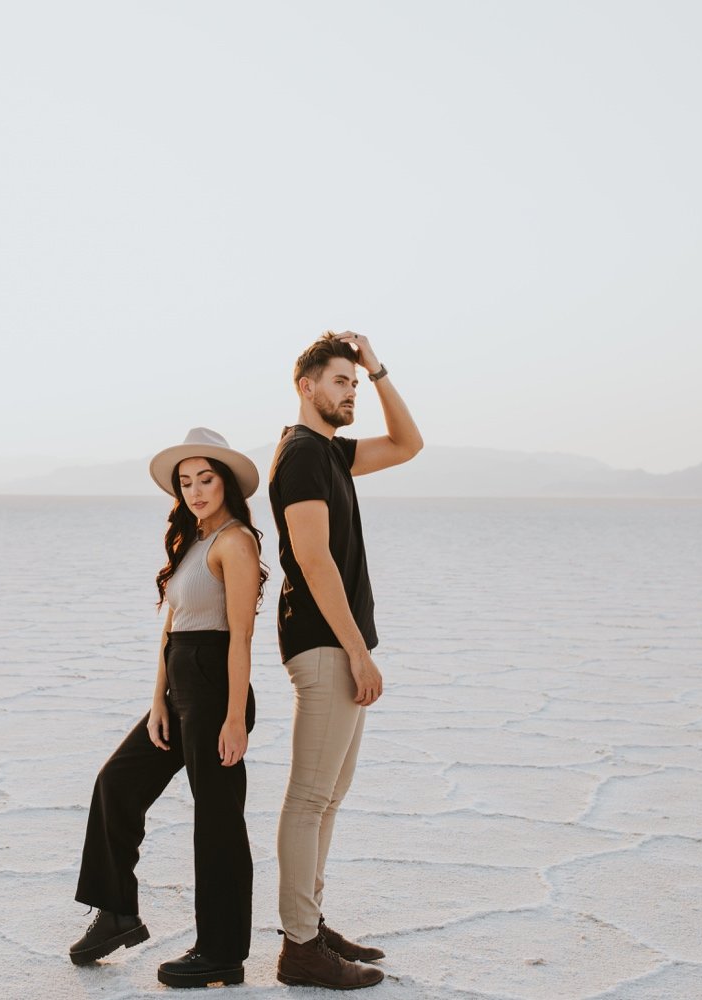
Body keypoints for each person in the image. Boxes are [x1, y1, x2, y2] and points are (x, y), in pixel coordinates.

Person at [71, 427, 268, 989]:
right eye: (186, 483)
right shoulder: (192, 543)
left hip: (215, 687)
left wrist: (234, 717)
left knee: (217, 822)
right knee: (117, 783)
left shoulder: (236, 542)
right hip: (180, 685)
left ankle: (221, 953)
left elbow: (240, 639)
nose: (196, 491)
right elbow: (171, 625)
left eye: (206, 479)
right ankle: (116, 912)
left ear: (226, 482)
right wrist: (157, 699)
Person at [270, 332, 422, 989]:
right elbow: (312, 558)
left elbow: (409, 445)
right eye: (340, 381)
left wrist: (378, 369)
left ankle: (310, 923)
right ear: (307, 386)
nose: (350, 392)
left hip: (341, 644)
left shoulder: (331, 453)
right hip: (327, 645)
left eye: (354, 384)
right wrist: (357, 651)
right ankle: (300, 948)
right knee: (309, 798)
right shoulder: (302, 454)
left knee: (328, 798)